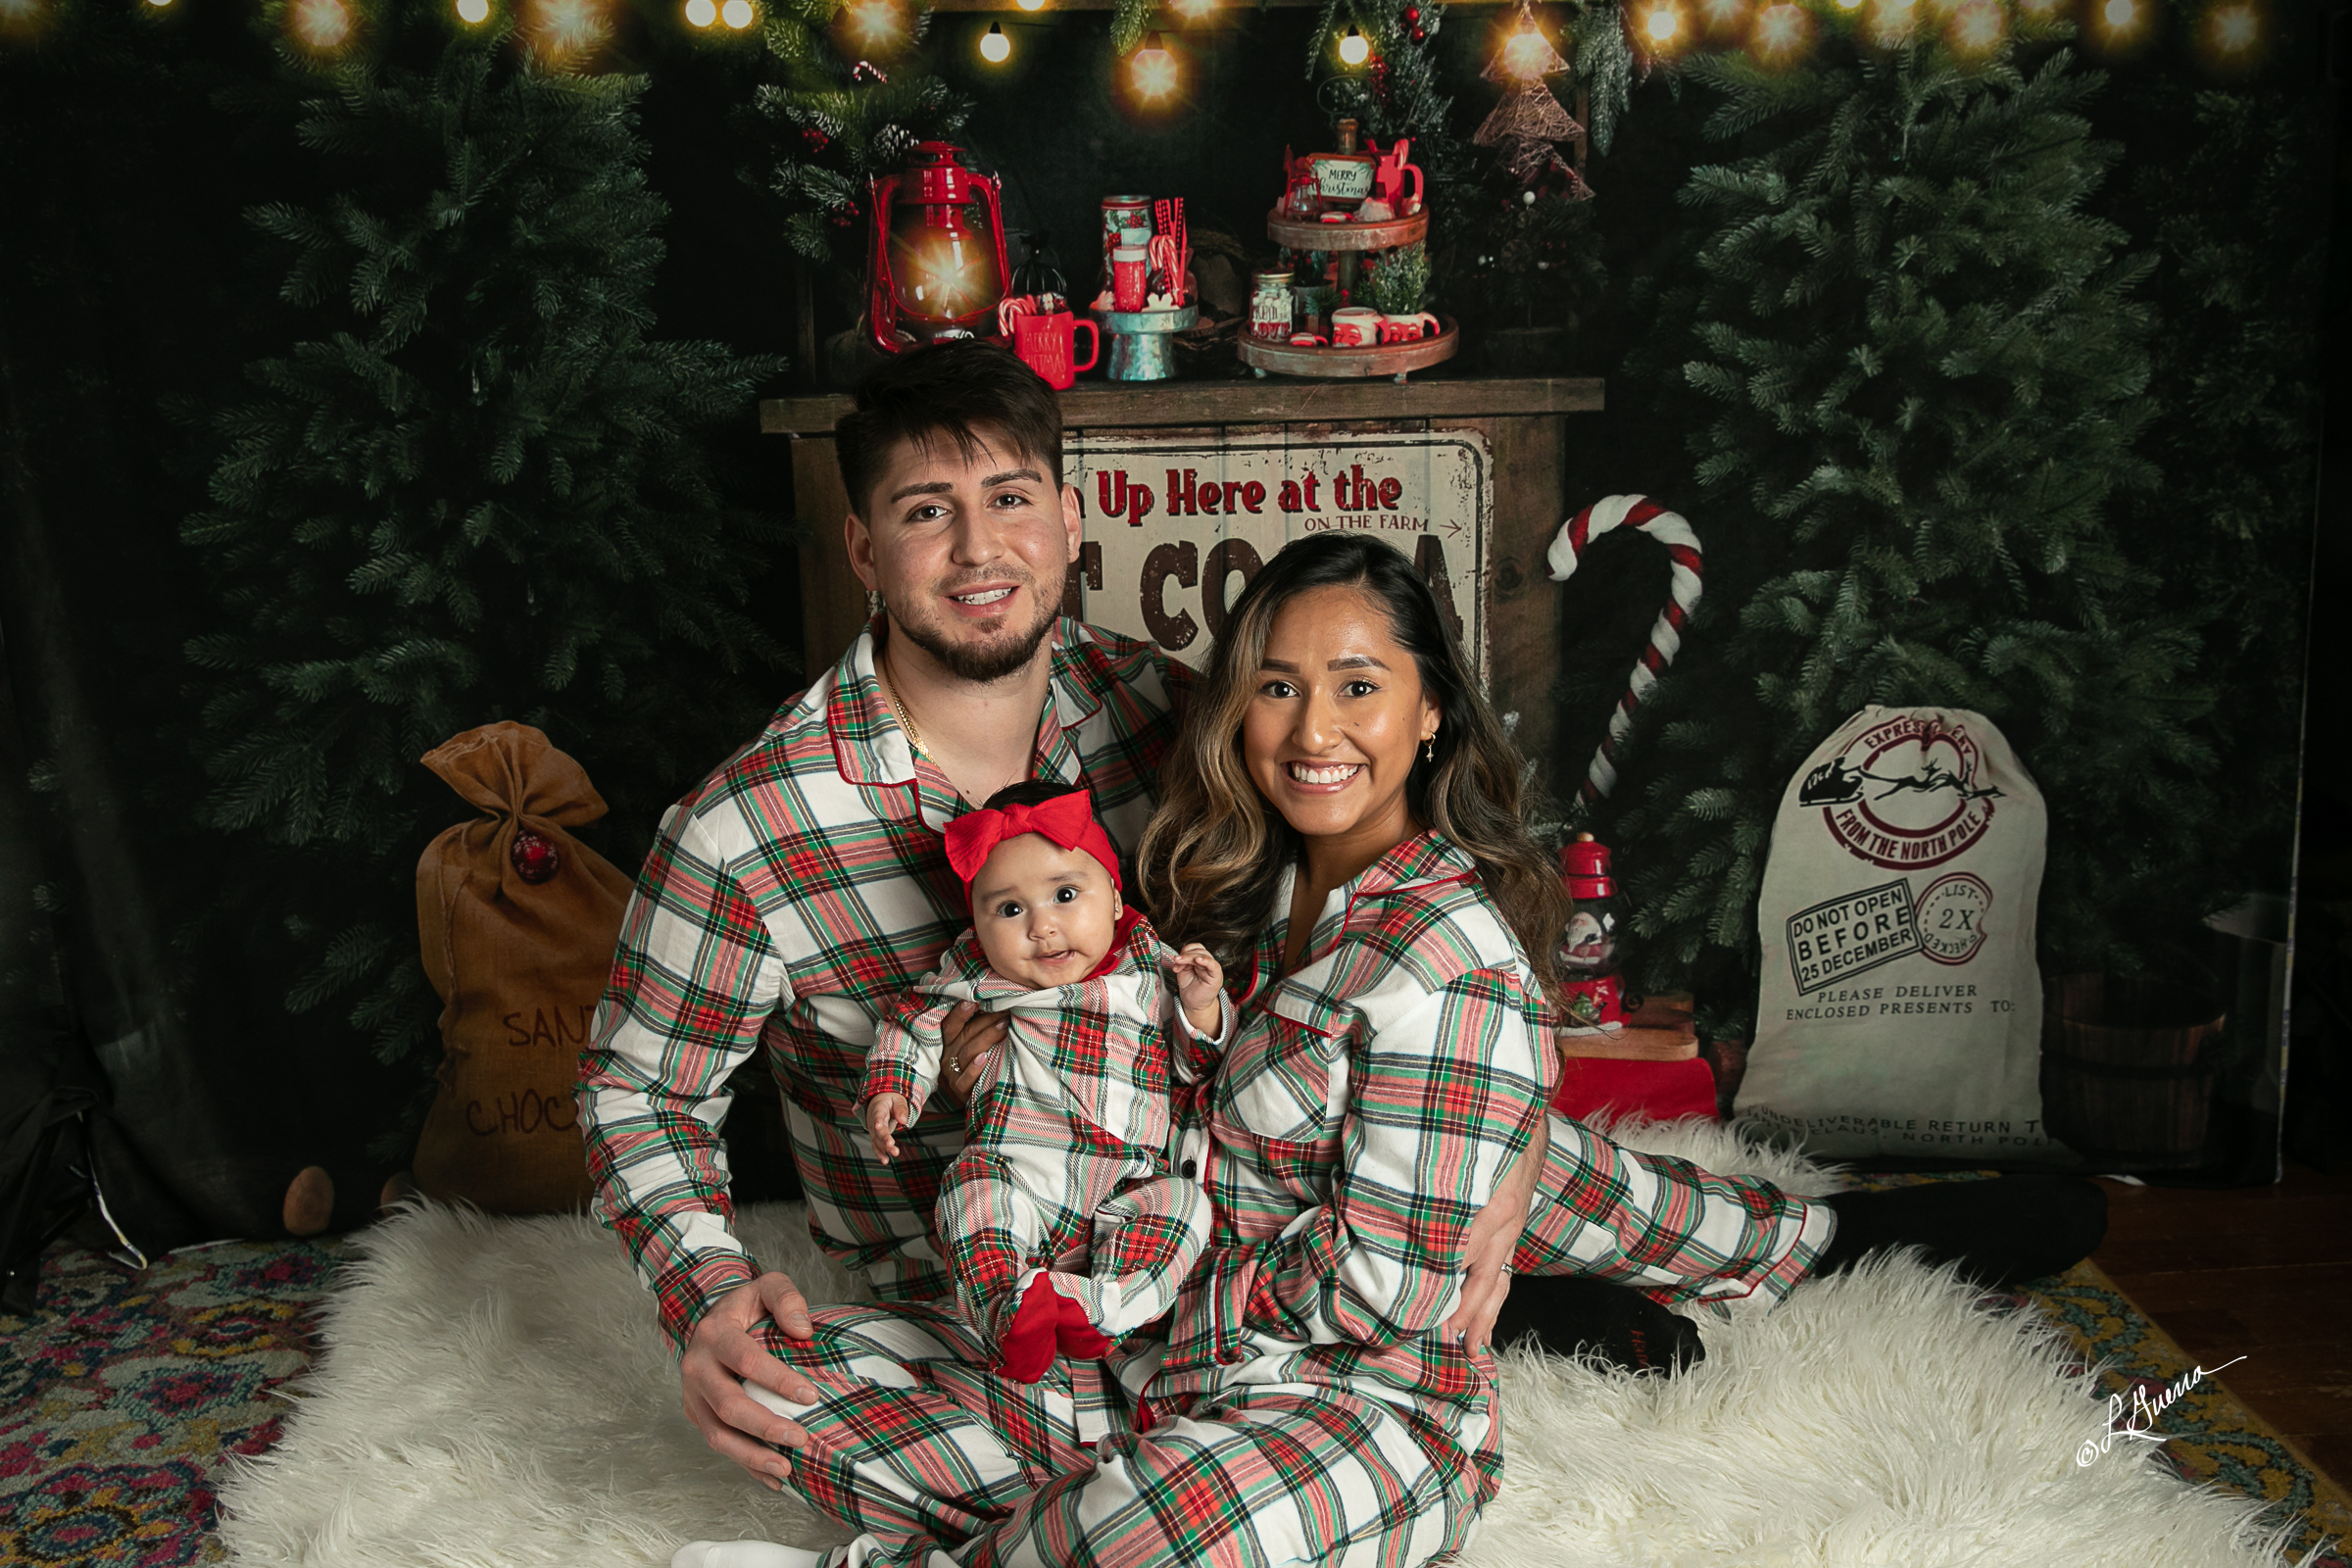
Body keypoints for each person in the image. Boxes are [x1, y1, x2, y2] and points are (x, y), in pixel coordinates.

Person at [859, 779, 1232, 1382]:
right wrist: (894, 1088)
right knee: (970, 1186)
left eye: (1065, 894)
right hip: (1018, 1171)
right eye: (1009, 909)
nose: (1042, 927)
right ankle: (1008, 1314)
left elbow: (1200, 1066)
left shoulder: (1153, 967)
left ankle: (1098, 1309)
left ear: (1115, 898)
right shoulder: (979, 972)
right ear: (977, 924)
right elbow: (915, 1021)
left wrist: (1203, 1006)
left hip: (1126, 1186)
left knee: (1187, 1207)